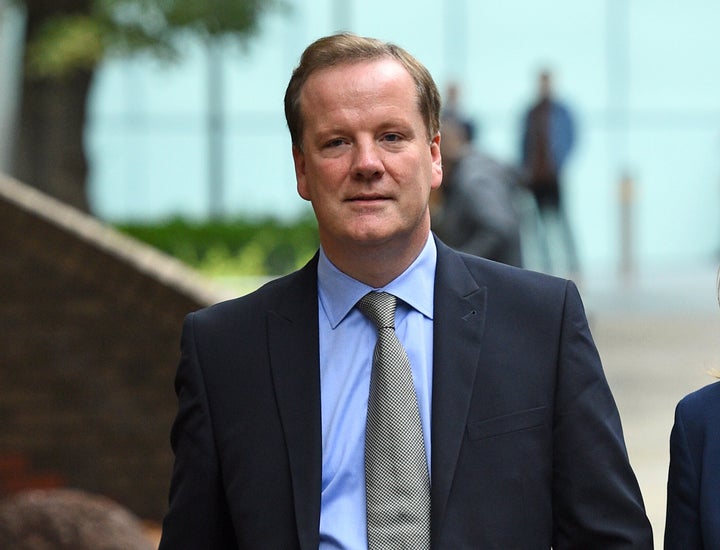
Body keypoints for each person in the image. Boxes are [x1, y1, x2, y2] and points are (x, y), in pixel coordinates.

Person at [159, 33, 653, 548]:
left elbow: (611, 537)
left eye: (392, 136)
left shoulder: (542, 323)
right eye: (336, 142)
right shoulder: (224, 350)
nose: (367, 163)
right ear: (302, 168)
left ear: (435, 156)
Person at [433, 115, 523, 267]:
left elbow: (499, 230)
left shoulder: (474, 181)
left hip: (497, 280)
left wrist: (458, 262)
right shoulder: (473, 170)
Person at [520, 69, 580, 276]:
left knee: (563, 224)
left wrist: (560, 163)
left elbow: (571, 138)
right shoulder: (531, 111)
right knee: (539, 227)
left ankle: (574, 267)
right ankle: (547, 269)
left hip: (554, 176)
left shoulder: (561, 111)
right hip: (536, 178)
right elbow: (524, 143)